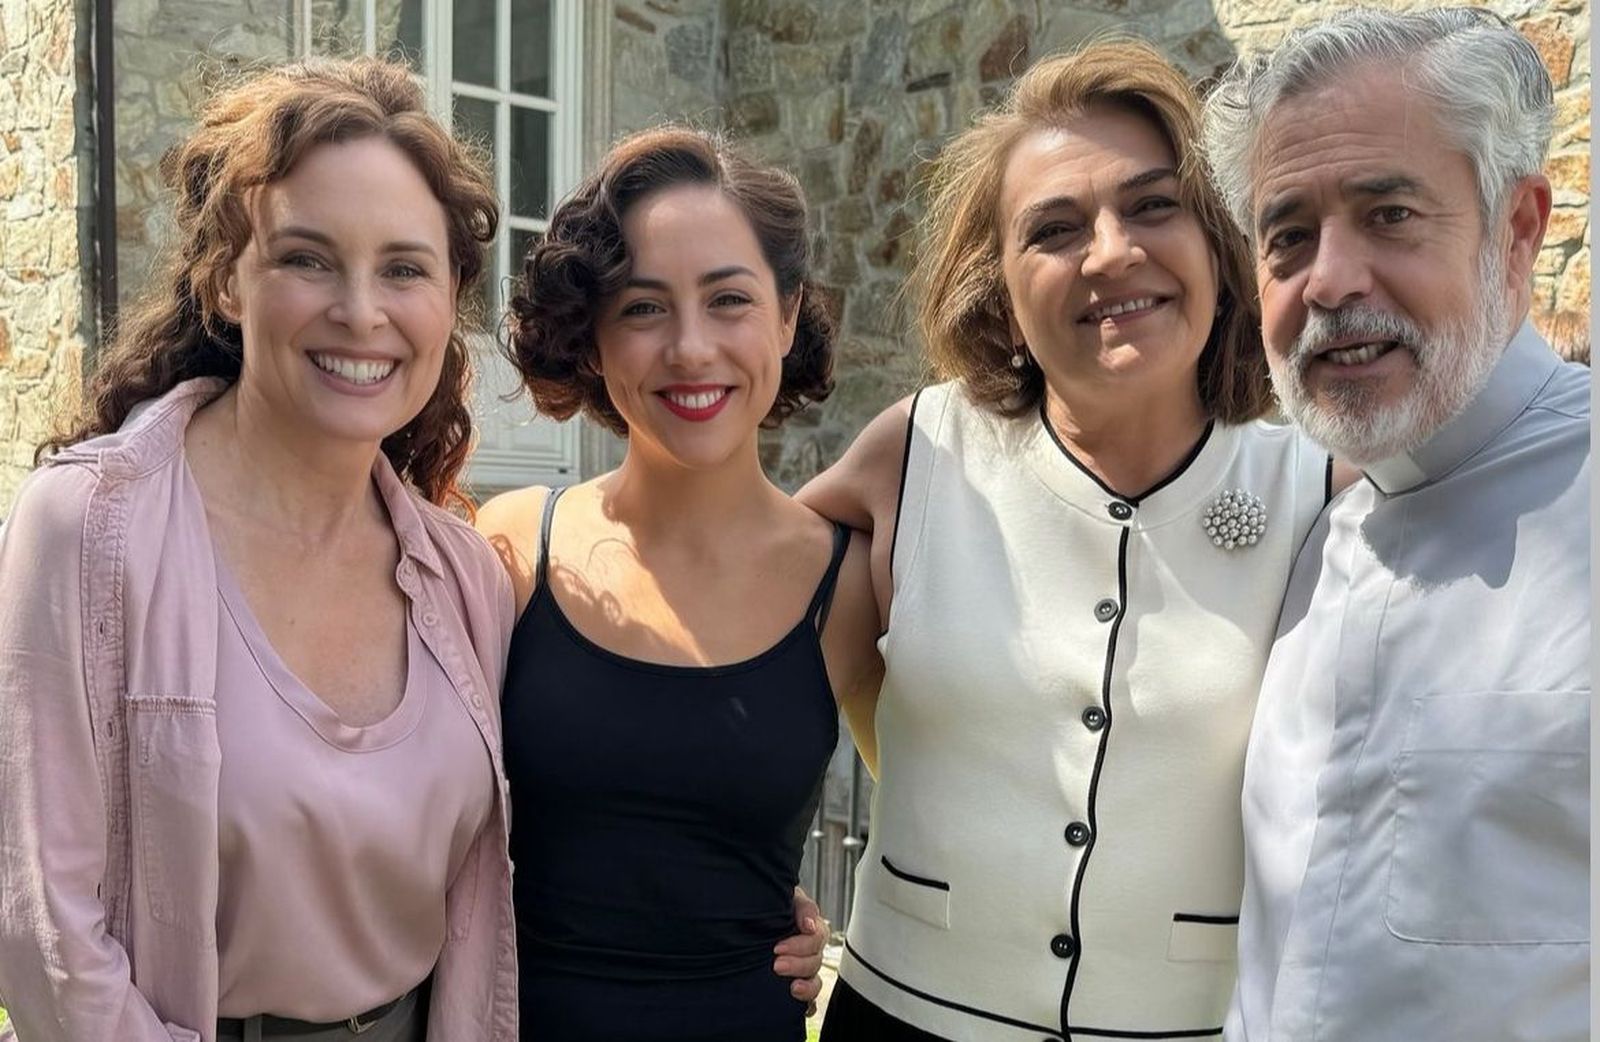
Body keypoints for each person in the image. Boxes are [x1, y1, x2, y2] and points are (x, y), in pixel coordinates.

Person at [800, 41, 1334, 1042]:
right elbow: (743, 679)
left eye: (1152, 205)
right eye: (1053, 229)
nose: (1108, 251)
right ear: (998, 288)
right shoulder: (916, 453)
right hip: (905, 1015)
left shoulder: (1316, 489)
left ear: (1218, 243)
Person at [0, 58, 518, 1040]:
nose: (361, 310)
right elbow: (46, 936)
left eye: (404, 267)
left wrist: (755, 919)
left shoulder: (467, 579)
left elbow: (522, 875)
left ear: (449, 300)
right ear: (225, 281)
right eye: (307, 258)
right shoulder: (87, 529)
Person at [1200, 9, 1590, 1040]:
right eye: (1287, 236)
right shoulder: (1292, 538)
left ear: (1517, 228)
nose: (1326, 281)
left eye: (1389, 215)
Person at [475, 127, 883, 1041]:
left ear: (787, 316)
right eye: (644, 308)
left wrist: (834, 929)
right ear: (594, 338)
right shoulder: (512, 546)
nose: (691, 349)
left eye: (729, 299)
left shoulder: (849, 584)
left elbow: (954, 798)